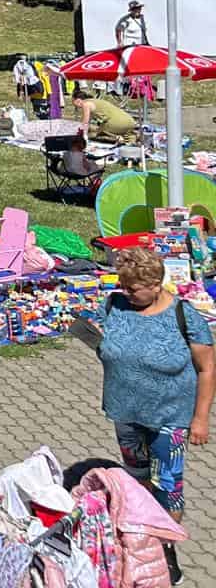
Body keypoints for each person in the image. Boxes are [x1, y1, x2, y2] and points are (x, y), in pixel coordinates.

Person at [98, 247, 214, 583]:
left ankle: (165, 548)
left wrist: (201, 419)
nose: (127, 293)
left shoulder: (184, 315)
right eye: (124, 286)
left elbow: (207, 369)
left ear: (155, 283)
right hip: (126, 412)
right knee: (136, 482)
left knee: (167, 487)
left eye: (134, 288)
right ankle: (137, 542)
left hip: (170, 418)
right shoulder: (114, 305)